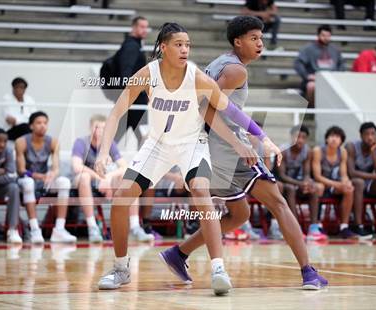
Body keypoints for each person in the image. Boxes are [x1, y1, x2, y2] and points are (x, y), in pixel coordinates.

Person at [95, 21, 280, 295]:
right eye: (179, 44)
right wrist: (102, 153)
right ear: (163, 47)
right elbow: (115, 114)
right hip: (157, 145)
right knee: (121, 200)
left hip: (192, 144)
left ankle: (219, 269)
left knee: (200, 191)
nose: (185, 50)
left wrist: (259, 139)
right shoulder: (147, 74)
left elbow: (231, 112)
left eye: (188, 45)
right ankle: (121, 268)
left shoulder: (197, 77)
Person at [159, 16, 328, 290]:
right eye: (253, 38)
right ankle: (308, 272)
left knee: (239, 215)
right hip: (225, 151)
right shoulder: (237, 71)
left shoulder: (219, 62)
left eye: (261, 38)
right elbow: (207, 108)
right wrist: (240, 144)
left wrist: (255, 136)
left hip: (208, 149)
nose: (260, 43)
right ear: (238, 42)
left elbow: (223, 109)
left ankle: (178, 254)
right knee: (279, 203)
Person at [15, 111, 76, 244]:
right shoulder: (21, 142)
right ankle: (35, 230)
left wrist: (52, 174)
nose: (42, 126)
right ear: (31, 126)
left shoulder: (53, 142)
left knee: (64, 182)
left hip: (43, 180)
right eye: (39, 123)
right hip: (27, 179)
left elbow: (56, 167)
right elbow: (21, 170)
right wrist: (38, 176)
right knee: (28, 183)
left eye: (45, 123)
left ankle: (59, 230)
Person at [71, 114, 126, 242]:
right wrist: (100, 179)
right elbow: (77, 167)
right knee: (84, 176)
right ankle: (92, 227)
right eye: (97, 127)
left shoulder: (110, 144)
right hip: (82, 182)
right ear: (90, 128)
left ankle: (135, 225)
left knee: (128, 177)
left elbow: (124, 167)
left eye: (103, 128)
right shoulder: (81, 142)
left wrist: (108, 178)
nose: (100, 130)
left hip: (103, 181)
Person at [277, 125, 327, 241]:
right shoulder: (283, 151)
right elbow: (282, 175)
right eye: (297, 137)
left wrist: (307, 182)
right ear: (292, 137)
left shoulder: (307, 151)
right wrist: (299, 184)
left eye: (303, 137)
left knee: (313, 189)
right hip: (283, 183)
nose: (300, 140)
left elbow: (306, 173)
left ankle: (313, 227)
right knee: (290, 188)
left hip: (297, 182)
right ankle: (296, 227)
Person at [312, 126, 357, 239]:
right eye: (332, 136)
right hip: (320, 183)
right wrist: (337, 184)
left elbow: (343, 174)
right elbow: (317, 176)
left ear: (341, 140)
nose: (334, 139)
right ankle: (317, 225)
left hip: (333, 184)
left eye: (337, 137)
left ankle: (344, 227)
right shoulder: (318, 151)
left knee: (349, 189)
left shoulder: (342, 152)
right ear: (327, 138)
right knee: (319, 187)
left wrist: (346, 182)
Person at [113, 16, 150, 146]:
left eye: (146, 27)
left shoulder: (135, 45)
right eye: (142, 27)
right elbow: (126, 74)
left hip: (134, 100)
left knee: (140, 137)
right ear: (134, 27)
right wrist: (137, 93)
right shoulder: (131, 47)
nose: (145, 30)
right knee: (143, 137)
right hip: (134, 101)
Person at [294, 25, 345, 107]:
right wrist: (307, 76)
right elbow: (298, 63)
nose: (326, 38)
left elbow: (342, 64)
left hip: (331, 79)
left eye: (328, 36)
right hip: (314, 79)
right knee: (311, 86)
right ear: (318, 35)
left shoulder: (335, 50)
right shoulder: (308, 49)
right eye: (323, 35)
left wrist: (338, 75)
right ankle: (311, 110)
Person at [346, 122, 376, 239]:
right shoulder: (351, 146)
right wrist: (375, 177)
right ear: (361, 136)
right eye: (367, 134)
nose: (370, 137)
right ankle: (358, 225)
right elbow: (351, 172)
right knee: (359, 182)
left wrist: (373, 152)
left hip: (368, 184)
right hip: (351, 182)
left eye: (373, 134)